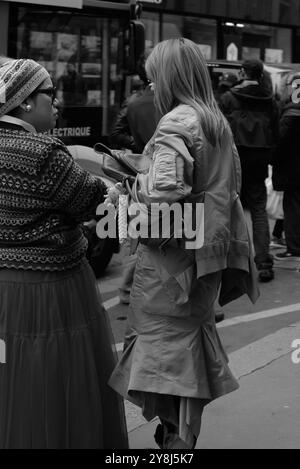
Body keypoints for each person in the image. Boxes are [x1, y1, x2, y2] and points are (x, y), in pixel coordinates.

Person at [108, 38, 259, 449]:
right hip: (202, 262)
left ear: (170, 76)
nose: (152, 86)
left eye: (155, 76)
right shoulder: (213, 121)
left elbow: (162, 200)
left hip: (169, 268)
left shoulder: (176, 123)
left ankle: (175, 448)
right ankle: (179, 440)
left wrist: (125, 196)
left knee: (168, 367)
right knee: (186, 367)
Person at [0, 58, 128, 449]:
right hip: (51, 289)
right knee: (56, 379)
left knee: (11, 377)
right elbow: (95, 202)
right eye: (48, 95)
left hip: (4, 288)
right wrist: (120, 191)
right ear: (23, 103)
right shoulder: (44, 153)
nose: (55, 104)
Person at [220, 59, 279, 282]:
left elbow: (220, 130)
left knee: (228, 209)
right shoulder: (270, 100)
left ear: (243, 72)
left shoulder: (228, 97)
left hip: (234, 159)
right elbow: (275, 132)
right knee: (258, 209)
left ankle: (227, 261)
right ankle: (263, 262)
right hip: (259, 160)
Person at [272, 72, 300, 260]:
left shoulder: (289, 115)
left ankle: (294, 247)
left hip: (293, 171)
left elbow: (278, 144)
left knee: (292, 207)